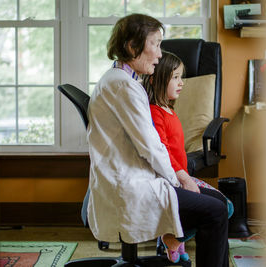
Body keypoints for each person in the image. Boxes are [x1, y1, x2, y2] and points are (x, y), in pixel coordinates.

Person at [87, 13, 229, 267]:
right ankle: (174, 242)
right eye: (156, 44)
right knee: (215, 211)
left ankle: (174, 241)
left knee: (216, 204)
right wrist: (181, 179)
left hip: (133, 177)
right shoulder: (124, 87)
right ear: (132, 47)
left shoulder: (123, 81)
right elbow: (151, 146)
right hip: (131, 187)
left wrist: (180, 179)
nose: (161, 54)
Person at [143, 51, 234, 262]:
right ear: (156, 79)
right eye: (175, 77)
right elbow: (162, 152)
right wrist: (183, 178)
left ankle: (175, 238)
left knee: (224, 204)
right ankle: (174, 237)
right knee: (219, 208)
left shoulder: (168, 109)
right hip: (170, 179)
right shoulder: (155, 112)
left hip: (178, 176)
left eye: (181, 76)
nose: (181, 82)